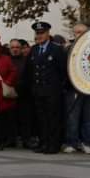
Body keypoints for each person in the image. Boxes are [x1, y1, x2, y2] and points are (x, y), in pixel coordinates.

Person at [24, 22, 68, 154]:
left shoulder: (57, 49)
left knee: (53, 119)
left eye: (42, 33)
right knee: (41, 119)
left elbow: (63, 71)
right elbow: (29, 71)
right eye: (37, 33)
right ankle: (43, 143)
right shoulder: (34, 49)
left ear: (48, 33)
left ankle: (53, 145)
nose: (39, 36)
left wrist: (60, 88)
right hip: (38, 91)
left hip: (53, 91)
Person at [63, 23, 90, 154]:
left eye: (83, 32)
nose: (80, 34)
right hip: (73, 89)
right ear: (74, 34)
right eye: (77, 32)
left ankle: (86, 142)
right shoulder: (67, 50)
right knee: (73, 116)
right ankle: (72, 142)